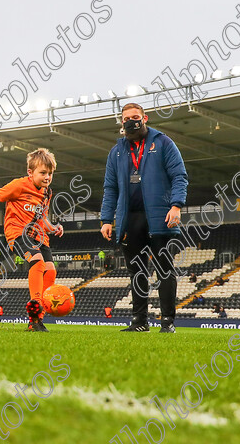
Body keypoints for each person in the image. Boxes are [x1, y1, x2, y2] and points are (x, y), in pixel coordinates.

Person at [100, 103, 188, 334]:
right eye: (127, 118)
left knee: (165, 270)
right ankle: (139, 322)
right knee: (137, 271)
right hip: (131, 219)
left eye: (136, 117)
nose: (131, 121)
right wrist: (106, 219)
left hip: (160, 216)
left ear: (145, 118)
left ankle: (167, 322)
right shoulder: (116, 151)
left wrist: (176, 205)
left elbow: (179, 176)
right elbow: (110, 188)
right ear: (121, 122)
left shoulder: (163, 143)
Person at [0, 148, 63, 332]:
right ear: (30, 173)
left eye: (50, 173)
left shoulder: (47, 193)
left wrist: (53, 228)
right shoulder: (18, 185)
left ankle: (37, 319)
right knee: (37, 262)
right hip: (18, 233)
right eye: (43, 173)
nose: (47, 177)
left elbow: (41, 217)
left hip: (39, 235)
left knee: (51, 272)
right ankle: (35, 310)